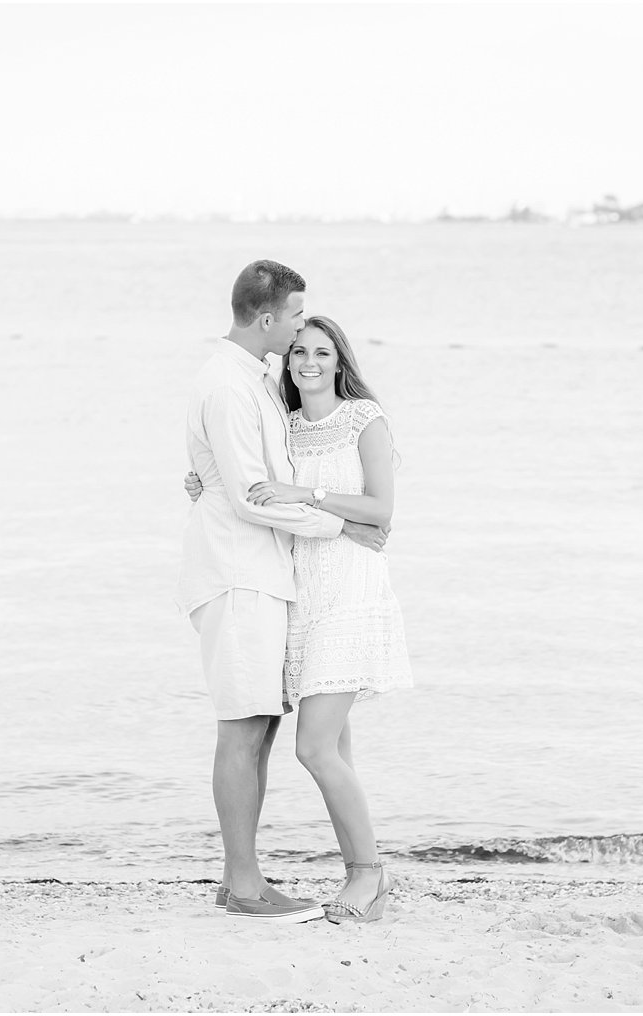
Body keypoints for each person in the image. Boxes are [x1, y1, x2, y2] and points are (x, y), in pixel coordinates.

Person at [177, 261, 388, 924]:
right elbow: (249, 496)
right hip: (241, 574)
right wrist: (340, 524)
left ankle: (245, 878)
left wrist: (206, 480)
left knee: (264, 728)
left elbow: (251, 476)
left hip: (276, 578)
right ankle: (244, 885)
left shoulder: (258, 382)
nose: (302, 330)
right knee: (245, 728)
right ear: (267, 318)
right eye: (296, 318)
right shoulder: (232, 387)